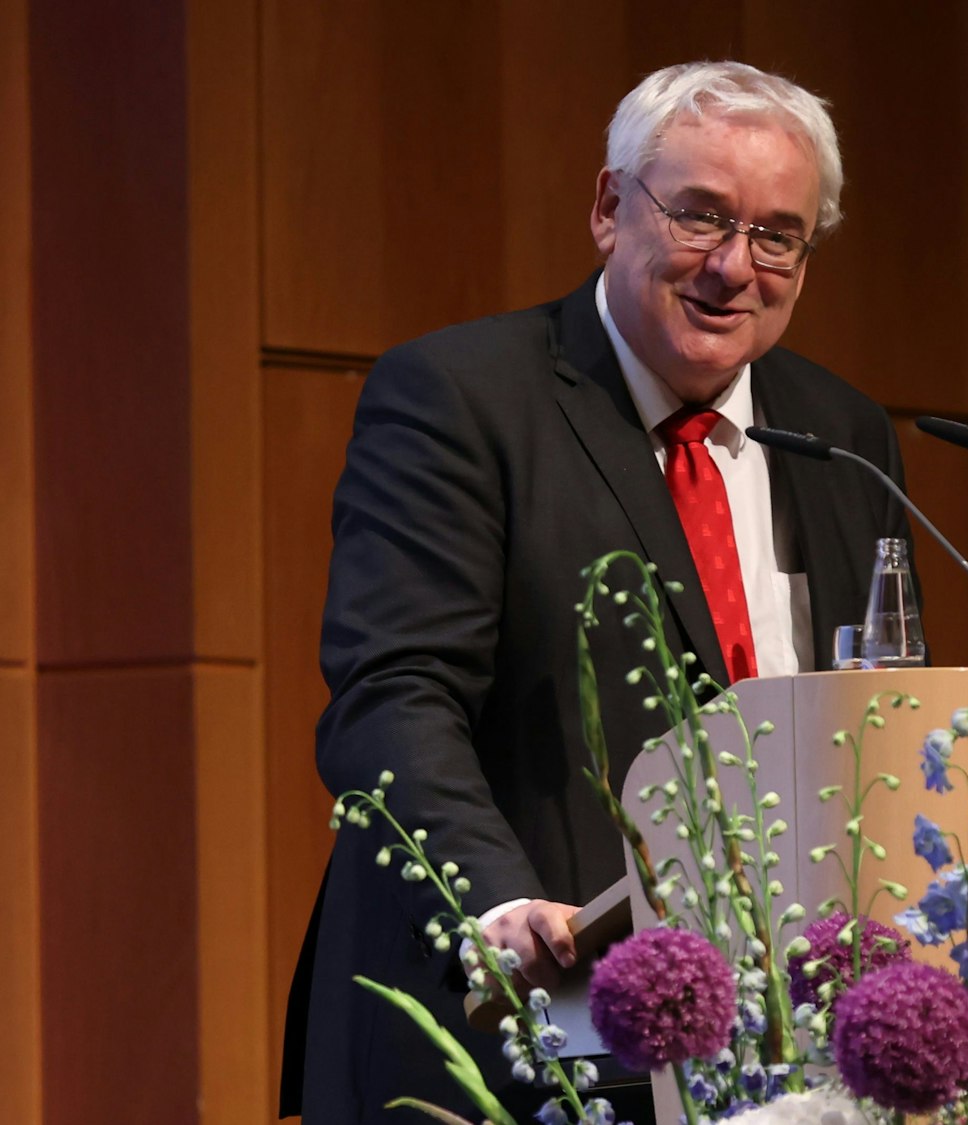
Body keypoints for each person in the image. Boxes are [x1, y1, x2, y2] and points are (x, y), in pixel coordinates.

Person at [280, 60, 915, 1121]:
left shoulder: (844, 434)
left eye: (775, 235)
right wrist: (501, 903)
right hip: (512, 1027)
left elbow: (880, 715)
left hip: (771, 1054)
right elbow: (391, 696)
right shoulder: (461, 399)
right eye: (701, 215)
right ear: (608, 208)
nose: (732, 266)